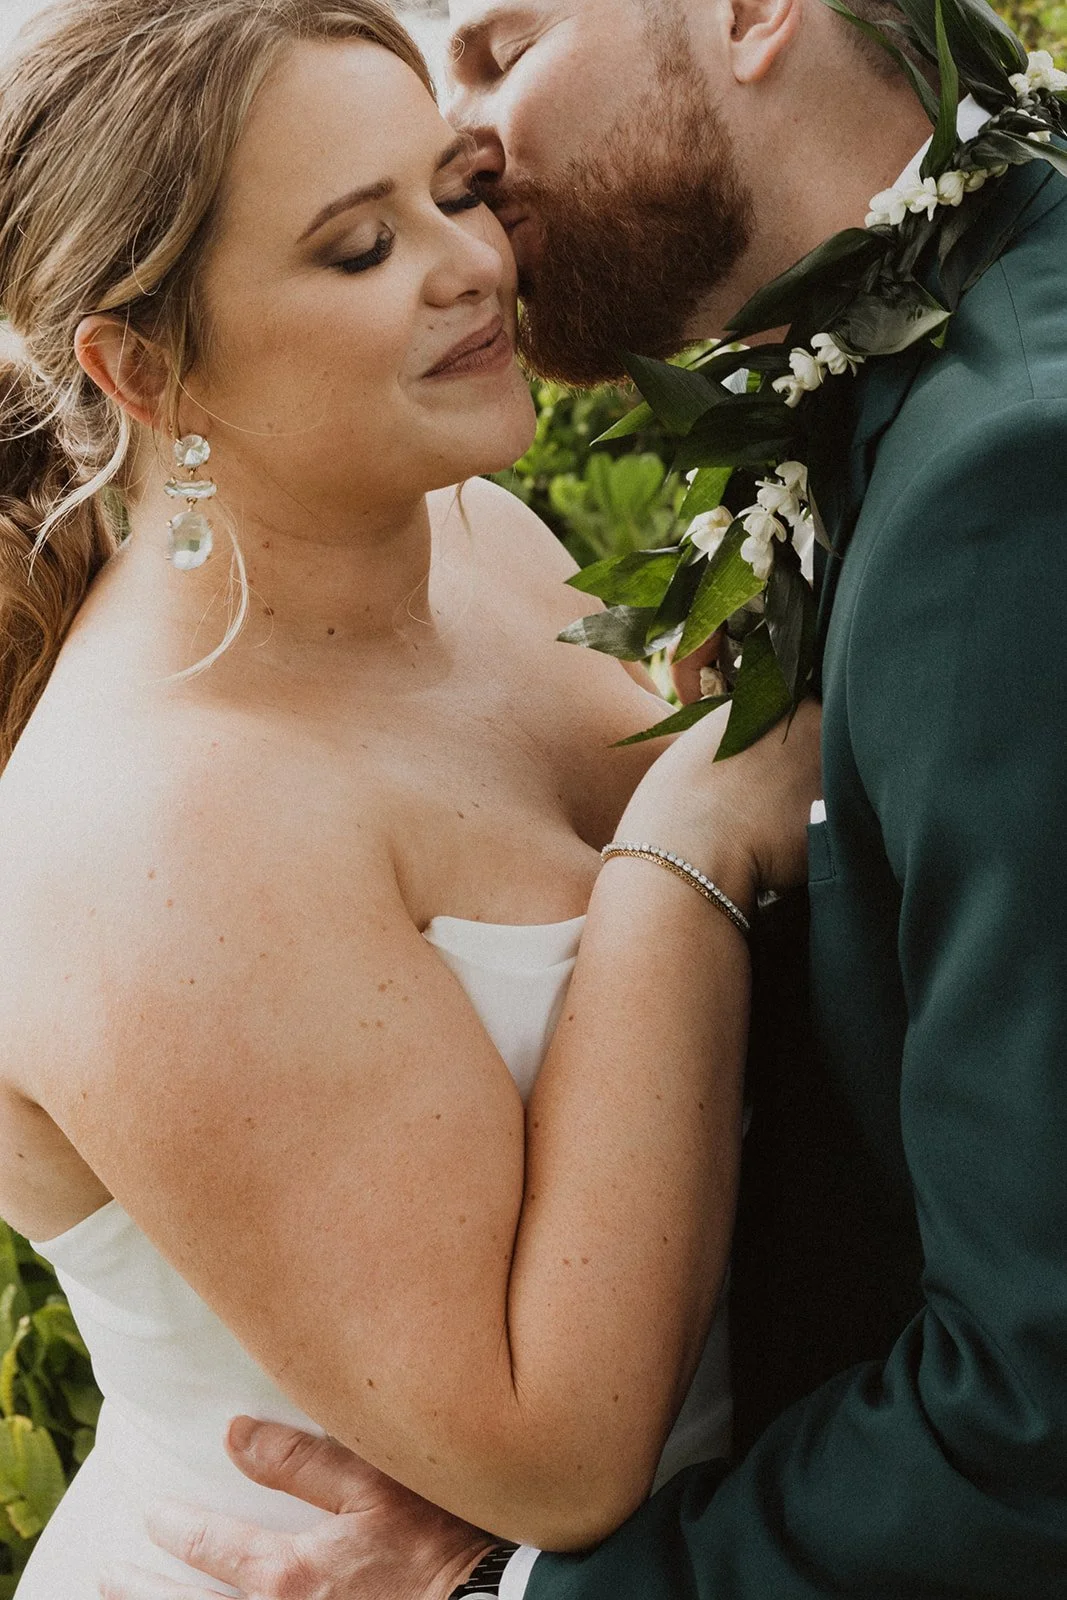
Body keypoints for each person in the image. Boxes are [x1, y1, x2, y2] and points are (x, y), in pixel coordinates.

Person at [113, 0, 1067, 1595]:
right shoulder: (924, 368)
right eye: (360, 238)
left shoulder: (1006, 482)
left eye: (501, 52)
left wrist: (508, 1595)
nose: (471, 159)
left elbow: (1037, 1416)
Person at [0, 1, 821, 1596]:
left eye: (454, 190)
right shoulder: (153, 832)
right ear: (142, 367)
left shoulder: (480, 538)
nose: (474, 265)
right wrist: (682, 846)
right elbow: (554, 1454)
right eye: (360, 247)